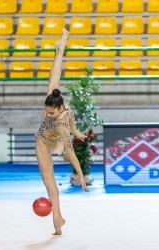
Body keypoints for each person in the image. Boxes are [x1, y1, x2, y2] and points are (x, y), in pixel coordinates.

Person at [35, 28, 89, 236]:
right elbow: (70, 120)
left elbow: (70, 151)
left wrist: (80, 175)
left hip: (57, 139)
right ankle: (57, 219)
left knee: (53, 85)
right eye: (46, 110)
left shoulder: (61, 120)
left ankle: (60, 48)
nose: (46, 113)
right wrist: (75, 131)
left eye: (50, 112)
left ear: (60, 109)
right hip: (43, 140)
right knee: (49, 181)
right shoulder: (53, 108)